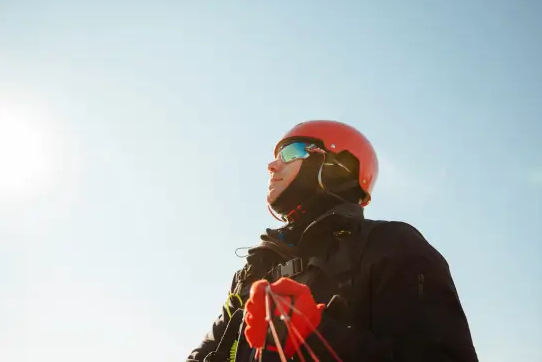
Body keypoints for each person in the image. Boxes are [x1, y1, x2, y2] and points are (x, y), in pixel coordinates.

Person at [186, 120, 479, 361]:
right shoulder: (252, 272)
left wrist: (314, 337)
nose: (272, 166)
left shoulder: (390, 244)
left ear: (337, 165)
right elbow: (205, 352)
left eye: (290, 152)